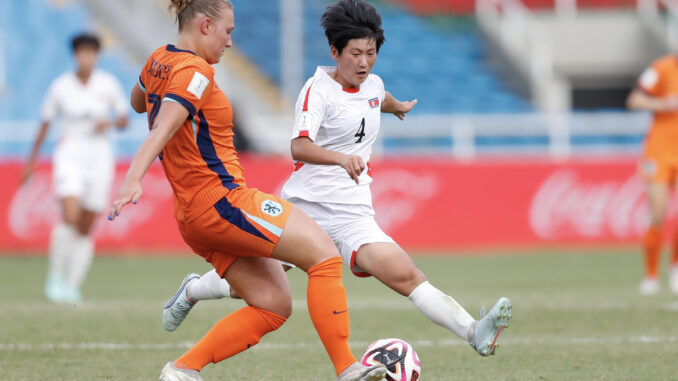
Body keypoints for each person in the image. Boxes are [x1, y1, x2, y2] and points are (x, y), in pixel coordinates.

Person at [163, 0, 512, 358]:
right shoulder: (317, 91)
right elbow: (298, 146)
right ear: (335, 51)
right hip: (304, 208)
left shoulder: (373, 85)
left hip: (353, 214)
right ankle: (193, 290)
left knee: (405, 275)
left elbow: (378, 98)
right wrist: (341, 159)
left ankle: (474, 331)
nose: (364, 62)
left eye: (371, 53)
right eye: (356, 53)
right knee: (247, 286)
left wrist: (398, 107)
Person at [108, 1, 386, 380]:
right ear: (206, 25)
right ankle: (346, 368)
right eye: (229, 32)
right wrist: (132, 177)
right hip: (223, 202)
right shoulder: (197, 73)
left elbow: (138, 102)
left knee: (273, 303)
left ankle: (182, 371)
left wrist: (162, 96)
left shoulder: (159, 59)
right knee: (324, 255)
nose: (230, 43)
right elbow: (164, 127)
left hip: (191, 216)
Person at [22, 33, 128, 304]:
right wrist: (32, 160)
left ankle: (72, 285)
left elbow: (124, 118)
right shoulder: (60, 87)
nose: (86, 57)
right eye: (82, 52)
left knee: (86, 225)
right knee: (69, 215)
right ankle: (55, 277)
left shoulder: (108, 84)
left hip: (100, 158)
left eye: (91, 53)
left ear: (97, 56)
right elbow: (45, 122)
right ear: (75, 55)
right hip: (69, 155)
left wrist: (111, 123)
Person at [627, 54, 678, 295]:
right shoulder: (661, 68)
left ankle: (675, 267)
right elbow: (634, 100)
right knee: (657, 213)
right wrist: (663, 103)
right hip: (659, 152)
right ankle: (651, 275)